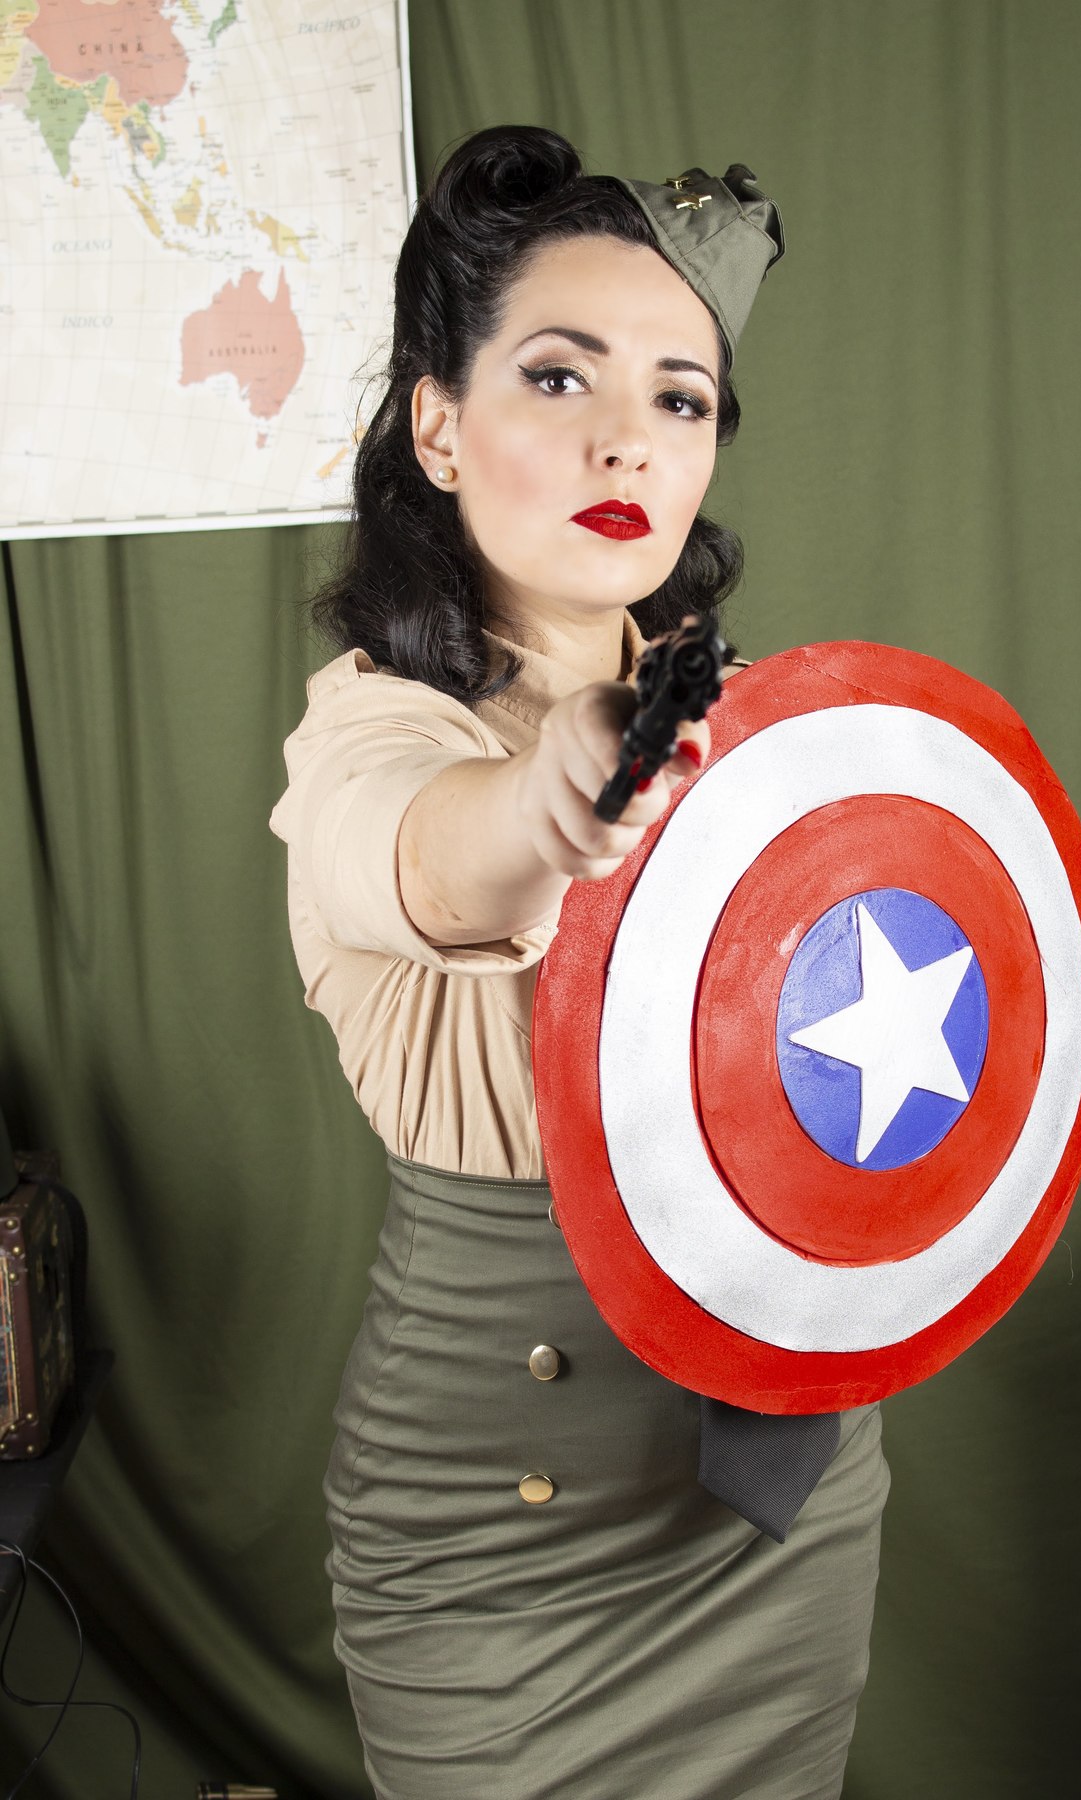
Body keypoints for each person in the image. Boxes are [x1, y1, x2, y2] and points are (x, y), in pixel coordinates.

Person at [268, 123, 890, 1800]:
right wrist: (560, 792)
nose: (628, 434)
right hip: (499, 1541)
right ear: (438, 426)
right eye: (560, 376)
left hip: (775, 1507)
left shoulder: (750, 736)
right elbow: (425, 850)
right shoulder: (369, 734)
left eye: (681, 398)